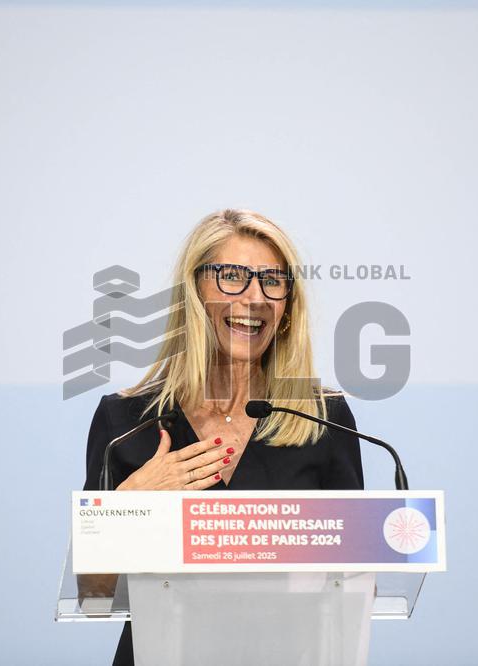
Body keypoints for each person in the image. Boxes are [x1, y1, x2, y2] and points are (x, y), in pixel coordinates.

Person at [80, 208, 364, 665]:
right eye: (232, 276)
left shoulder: (323, 419)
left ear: (287, 308)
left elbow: (353, 584)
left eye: (272, 281)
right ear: (194, 292)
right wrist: (128, 505)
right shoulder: (125, 421)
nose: (255, 297)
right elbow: (94, 595)